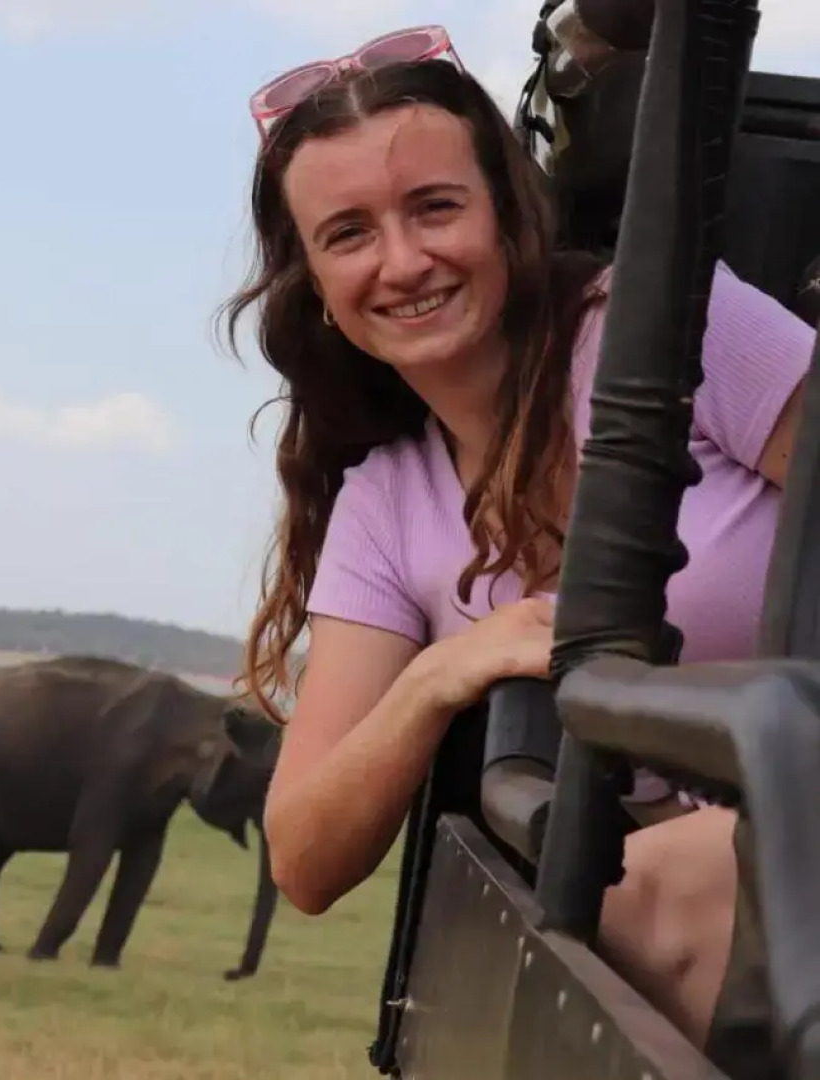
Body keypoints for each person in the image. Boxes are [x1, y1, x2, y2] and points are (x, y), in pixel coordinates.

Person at [217, 23, 817, 1071]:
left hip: (781, 815)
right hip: (720, 911)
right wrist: (437, 675)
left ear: (507, 213)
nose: (403, 261)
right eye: (348, 234)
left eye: (434, 207)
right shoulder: (387, 503)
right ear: (313, 284)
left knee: (634, 905)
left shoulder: (671, 329)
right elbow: (304, 857)